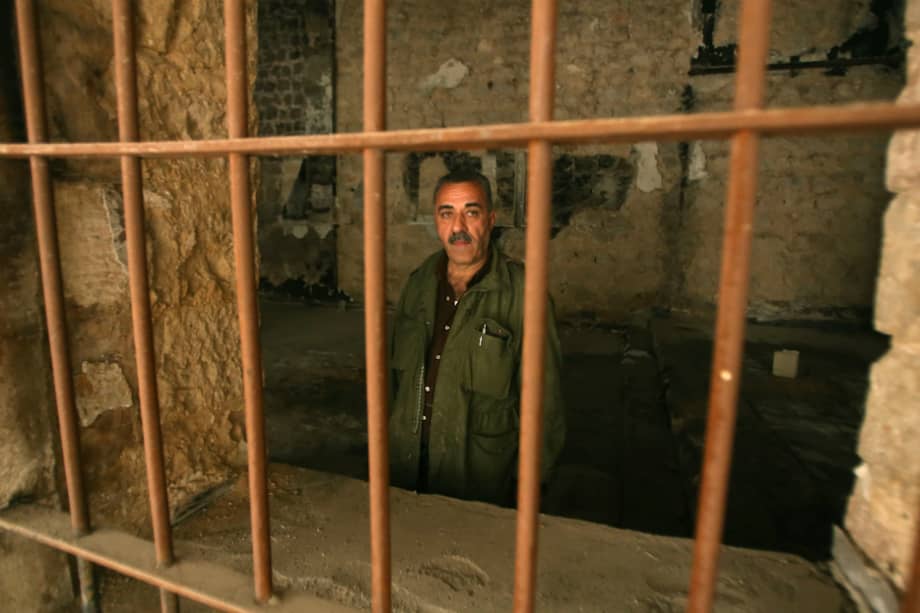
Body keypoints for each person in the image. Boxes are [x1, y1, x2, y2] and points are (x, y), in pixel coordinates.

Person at [388, 168, 565, 505]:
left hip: (480, 477)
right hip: (408, 467)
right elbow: (393, 383)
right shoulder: (418, 284)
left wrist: (532, 484)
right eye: (447, 214)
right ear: (436, 222)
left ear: (491, 219)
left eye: (471, 212)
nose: (459, 228)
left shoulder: (524, 295)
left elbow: (547, 400)